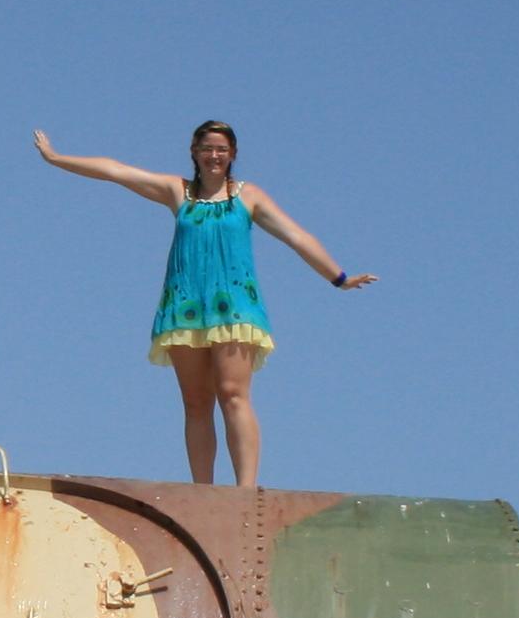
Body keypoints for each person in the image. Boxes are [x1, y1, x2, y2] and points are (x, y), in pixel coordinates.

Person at [33, 120, 373, 488]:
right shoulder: (177, 191)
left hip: (234, 306)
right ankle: (202, 490)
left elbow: (296, 235)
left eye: (222, 150)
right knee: (196, 403)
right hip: (185, 307)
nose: (214, 156)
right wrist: (57, 158)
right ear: (195, 153)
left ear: (233, 155)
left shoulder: (248, 196)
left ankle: (245, 488)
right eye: (207, 148)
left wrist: (338, 277)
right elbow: (117, 171)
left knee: (232, 392)